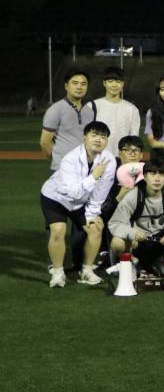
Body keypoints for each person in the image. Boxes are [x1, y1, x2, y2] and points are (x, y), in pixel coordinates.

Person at [40, 121, 116, 287]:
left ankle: (86, 271)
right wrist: (94, 176)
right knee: (58, 230)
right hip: (56, 198)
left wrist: (92, 214)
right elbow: (72, 192)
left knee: (96, 228)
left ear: (107, 141)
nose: (98, 139)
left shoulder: (109, 160)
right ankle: (58, 273)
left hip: (80, 201)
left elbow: (101, 191)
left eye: (103, 137)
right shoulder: (70, 159)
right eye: (94, 135)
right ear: (84, 138)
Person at [108, 161, 164, 272]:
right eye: (153, 174)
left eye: (162, 175)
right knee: (117, 242)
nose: (157, 179)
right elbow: (115, 223)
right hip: (138, 242)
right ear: (145, 177)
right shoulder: (133, 195)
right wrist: (133, 233)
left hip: (163, 240)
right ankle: (131, 264)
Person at [40, 69, 97, 171]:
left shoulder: (89, 111)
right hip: (62, 168)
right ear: (66, 86)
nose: (79, 87)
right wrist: (57, 160)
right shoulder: (56, 109)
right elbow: (44, 143)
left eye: (83, 84)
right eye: (75, 83)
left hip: (84, 168)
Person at [94, 67, 141, 156]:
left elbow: (134, 138)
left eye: (118, 81)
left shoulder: (132, 109)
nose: (114, 85)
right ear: (104, 83)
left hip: (123, 158)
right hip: (98, 158)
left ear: (123, 84)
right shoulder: (93, 106)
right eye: (110, 81)